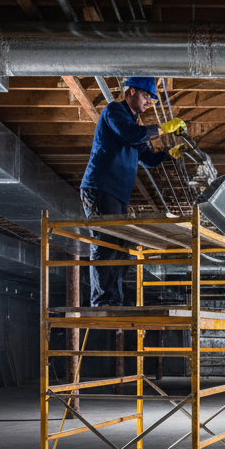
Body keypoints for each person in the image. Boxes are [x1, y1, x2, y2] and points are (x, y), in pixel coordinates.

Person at [79, 77, 185, 306]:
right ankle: (102, 301)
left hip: (116, 193)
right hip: (100, 188)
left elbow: (146, 158)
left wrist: (169, 154)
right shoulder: (114, 112)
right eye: (147, 96)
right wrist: (162, 128)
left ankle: (113, 300)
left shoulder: (134, 127)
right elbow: (131, 135)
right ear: (131, 92)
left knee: (122, 248)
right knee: (106, 243)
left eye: (151, 98)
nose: (149, 102)